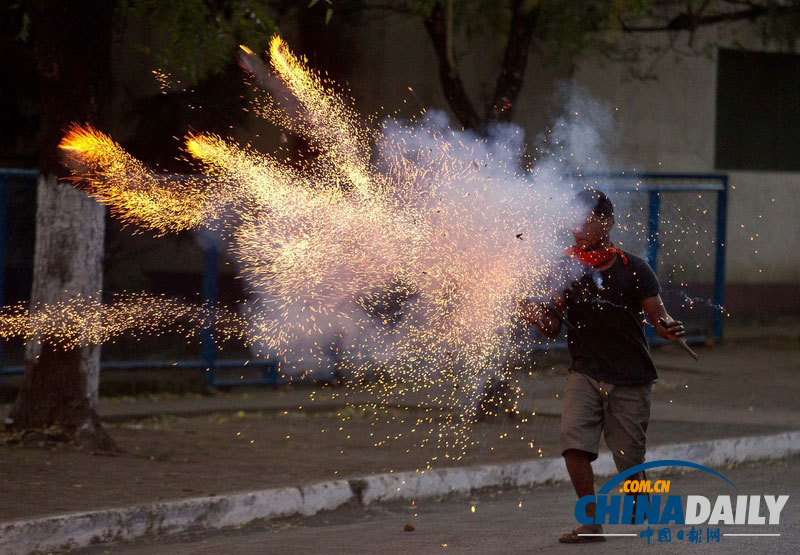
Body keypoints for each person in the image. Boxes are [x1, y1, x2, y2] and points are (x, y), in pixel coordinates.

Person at [518, 189, 686, 544]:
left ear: (607, 223)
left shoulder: (633, 268)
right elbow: (551, 326)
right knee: (574, 444)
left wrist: (668, 327)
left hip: (630, 377)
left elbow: (658, 316)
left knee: (628, 458)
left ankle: (640, 500)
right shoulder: (564, 268)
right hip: (585, 371)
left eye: (586, 220)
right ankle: (591, 522)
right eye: (573, 219)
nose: (577, 227)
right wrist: (528, 309)